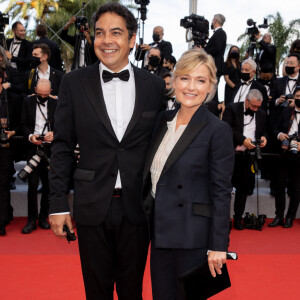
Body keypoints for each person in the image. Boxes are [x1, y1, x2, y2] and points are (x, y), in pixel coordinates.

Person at [48, 2, 165, 300]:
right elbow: (61, 147)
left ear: (132, 39)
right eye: (99, 33)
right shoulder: (74, 83)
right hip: (91, 205)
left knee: (131, 291)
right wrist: (58, 204)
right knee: (96, 291)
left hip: (136, 208)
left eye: (116, 32)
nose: (106, 40)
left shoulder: (153, 86)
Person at [142, 48, 234, 300]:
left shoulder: (218, 130)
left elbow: (221, 192)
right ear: (174, 80)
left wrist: (218, 246)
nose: (191, 86)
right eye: (185, 78)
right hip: (160, 234)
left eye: (200, 80)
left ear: (210, 87)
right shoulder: (163, 120)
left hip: (194, 237)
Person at [223, 89, 267, 230]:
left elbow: (264, 130)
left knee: (243, 190)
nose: (255, 109)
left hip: (247, 158)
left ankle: (238, 219)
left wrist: (265, 138)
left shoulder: (261, 114)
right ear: (247, 100)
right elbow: (226, 128)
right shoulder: (232, 108)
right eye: (253, 106)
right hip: (230, 156)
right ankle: (223, 219)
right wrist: (243, 140)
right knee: (224, 189)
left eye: (258, 107)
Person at [20, 79, 56, 234]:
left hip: (50, 150)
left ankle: (43, 218)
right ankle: (31, 220)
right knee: (32, 186)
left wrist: (54, 134)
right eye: (40, 95)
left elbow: (63, 124)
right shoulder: (27, 102)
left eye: (46, 95)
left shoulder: (55, 103)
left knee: (48, 186)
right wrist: (30, 136)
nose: (43, 97)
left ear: (51, 91)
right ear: (34, 90)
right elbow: (22, 124)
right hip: (33, 149)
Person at [269, 87, 300, 228]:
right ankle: (279, 215)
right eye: (297, 96)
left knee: (296, 188)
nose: (299, 98)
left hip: (299, 157)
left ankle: (290, 217)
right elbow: (274, 129)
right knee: (279, 186)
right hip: (283, 153)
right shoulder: (286, 111)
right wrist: (280, 135)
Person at [0, 68, 22, 236]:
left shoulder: (13, 100)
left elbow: (22, 123)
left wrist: (13, 131)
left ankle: (2, 220)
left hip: (6, 148)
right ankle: (6, 212)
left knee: (3, 185)